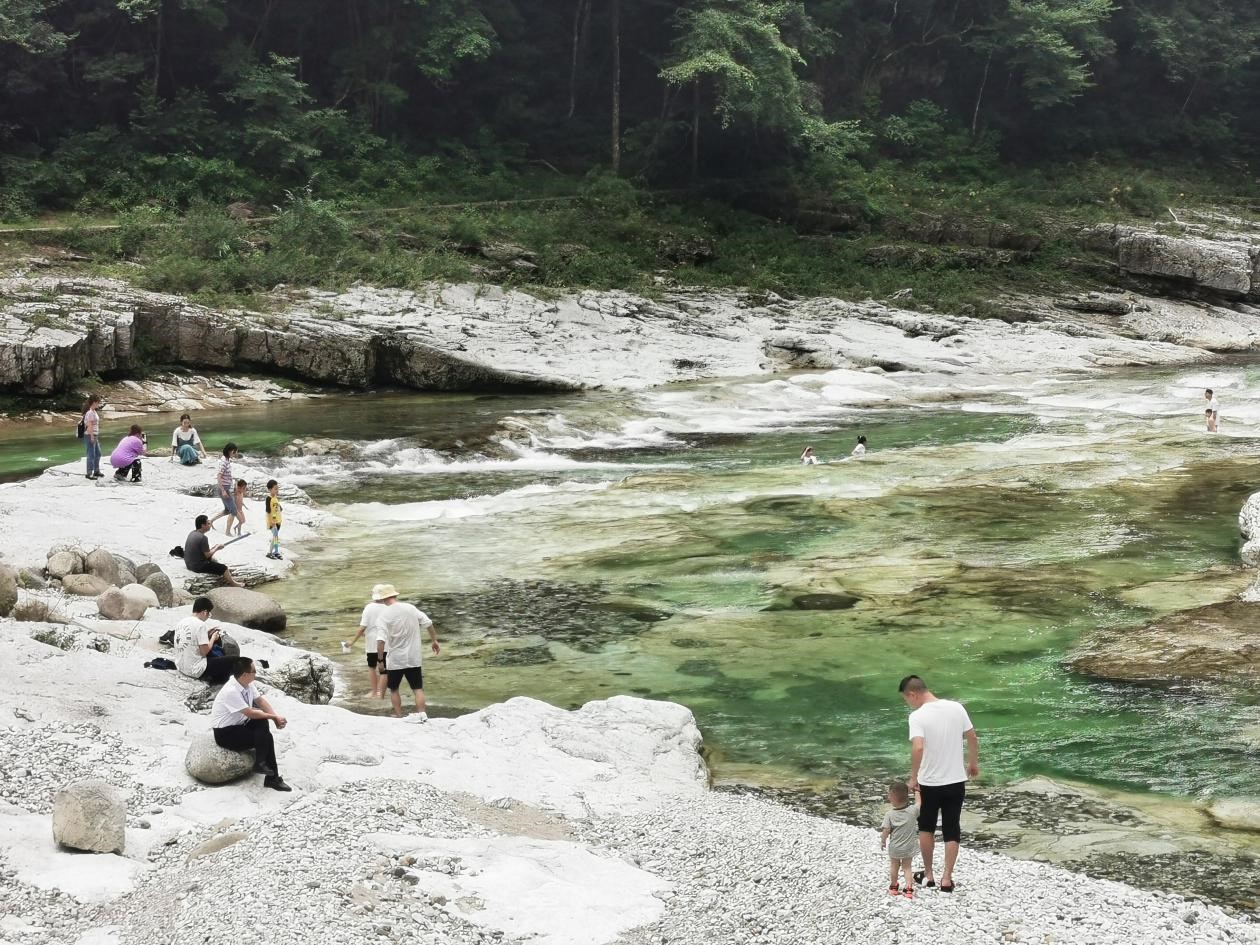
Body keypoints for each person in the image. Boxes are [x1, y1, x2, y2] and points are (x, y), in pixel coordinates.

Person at [899, 675, 979, 894]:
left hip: (930, 783)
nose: (909, 703)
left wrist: (914, 777)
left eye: (907, 699)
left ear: (912, 694)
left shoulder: (917, 716)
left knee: (926, 827)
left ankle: (929, 874)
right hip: (956, 780)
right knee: (952, 827)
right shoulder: (956, 708)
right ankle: (947, 878)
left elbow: (918, 748)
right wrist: (972, 763)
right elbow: (972, 737)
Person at [210, 657, 292, 792]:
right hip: (225, 734)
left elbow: (260, 701)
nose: (256, 673)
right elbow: (250, 713)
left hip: (240, 724)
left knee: (262, 723)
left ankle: (261, 764)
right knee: (266, 735)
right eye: (254, 671)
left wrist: (275, 717)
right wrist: (273, 717)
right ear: (245, 674)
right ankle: (270, 776)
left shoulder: (246, 684)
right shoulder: (231, 691)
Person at [371, 584, 440, 721]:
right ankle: (422, 715)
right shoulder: (410, 608)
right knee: (418, 689)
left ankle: (398, 715)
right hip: (414, 657)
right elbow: (428, 623)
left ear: (383, 599)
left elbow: (380, 641)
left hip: (396, 660)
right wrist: (434, 641)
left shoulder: (383, 616)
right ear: (395, 595)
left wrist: (380, 660)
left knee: (394, 689)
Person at [174, 596, 237, 685]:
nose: (208, 617)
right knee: (234, 660)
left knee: (218, 659)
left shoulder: (181, 622)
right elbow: (204, 652)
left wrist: (206, 634)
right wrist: (213, 638)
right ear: (204, 612)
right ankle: (218, 684)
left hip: (180, 666)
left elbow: (191, 639)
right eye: (209, 614)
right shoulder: (200, 625)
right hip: (194, 669)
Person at [344, 584, 392, 698]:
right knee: (384, 670)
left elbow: (362, 627)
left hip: (371, 644)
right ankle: (381, 694)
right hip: (385, 643)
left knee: (372, 668)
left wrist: (352, 642)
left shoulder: (369, 608)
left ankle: (374, 692)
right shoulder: (389, 608)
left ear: (373, 595)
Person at [880, 780, 919, 899]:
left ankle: (893, 887)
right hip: (908, 846)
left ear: (892, 797)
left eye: (889, 795)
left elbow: (886, 830)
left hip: (895, 847)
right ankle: (908, 889)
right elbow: (919, 803)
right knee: (907, 867)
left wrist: (883, 840)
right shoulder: (912, 811)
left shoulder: (889, 815)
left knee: (894, 865)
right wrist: (917, 790)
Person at [183, 514, 241, 587]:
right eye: (208, 523)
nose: (210, 525)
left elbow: (202, 551)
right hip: (196, 566)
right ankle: (234, 583)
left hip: (188, 563)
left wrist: (214, 547)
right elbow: (207, 555)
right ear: (203, 525)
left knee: (213, 558)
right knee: (223, 568)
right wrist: (217, 548)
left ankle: (227, 573)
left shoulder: (192, 533)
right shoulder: (203, 538)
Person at [208, 443, 240, 531]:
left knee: (227, 510)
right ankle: (227, 531)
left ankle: (210, 521)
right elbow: (219, 476)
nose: (235, 454)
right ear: (230, 451)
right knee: (233, 510)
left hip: (226, 488)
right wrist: (223, 490)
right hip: (224, 489)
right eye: (234, 452)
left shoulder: (227, 460)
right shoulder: (224, 462)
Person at [82, 395, 103, 480]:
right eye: (98, 402)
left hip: (95, 435)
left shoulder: (93, 411)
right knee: (91, 455)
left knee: (98, 453)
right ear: (94, 402)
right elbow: (89, 426)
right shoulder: (90, 412)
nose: (99, 404)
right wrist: (91, 437)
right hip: (90, 435)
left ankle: (96, 471)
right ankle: (89, 473)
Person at [264, 479, 283, 560]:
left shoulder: (275, 496)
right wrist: (272, 522)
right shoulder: (268, 498)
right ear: (270, 489)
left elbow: (276, 504)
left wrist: (280, 507)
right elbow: (268, 511)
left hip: (278, 520)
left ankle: (276, 552)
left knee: (276, 537)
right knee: (275, 537)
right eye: (275, 488)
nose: (277, 490)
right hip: (272, 522)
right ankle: (270, 553)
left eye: (277, 488)